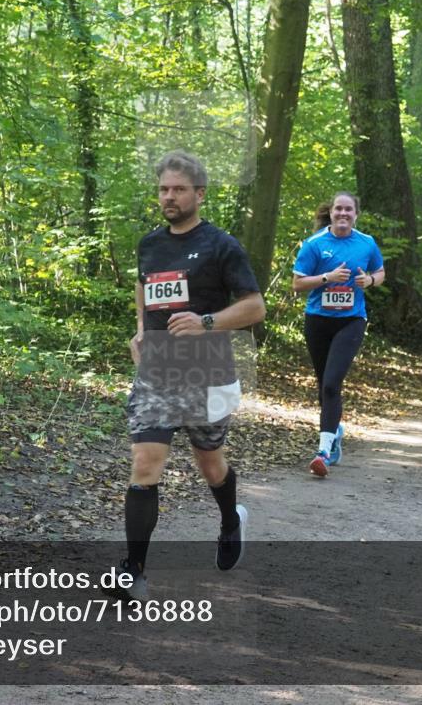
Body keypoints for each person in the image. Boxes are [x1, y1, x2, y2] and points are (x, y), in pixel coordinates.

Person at [108, 151, 266, 604]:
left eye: (178, 189)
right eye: (163, 189)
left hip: (207, 372)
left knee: (210, 464)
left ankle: (230, 520)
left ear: (199, 194)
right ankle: (133, 571)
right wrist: (140, 331)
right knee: (145, 464)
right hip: (157, 372)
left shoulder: (221, 245)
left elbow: (255, 306)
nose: (169, 197)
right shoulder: (149, 244)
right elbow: (144, 286)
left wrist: (208, 321)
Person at [291, 193, 385, 478]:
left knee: (332, 384)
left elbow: (380, 272)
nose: (343, 213)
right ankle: (335, 431)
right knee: (323, 386)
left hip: (351, 321)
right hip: (318, 320)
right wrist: (327, 278)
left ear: (356, 214)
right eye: (338, 209)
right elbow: (297, 284)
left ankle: (323, 451)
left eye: (349, 209)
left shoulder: (366, 243)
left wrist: (369, 281)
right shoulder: (315, 244)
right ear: (331, 213)